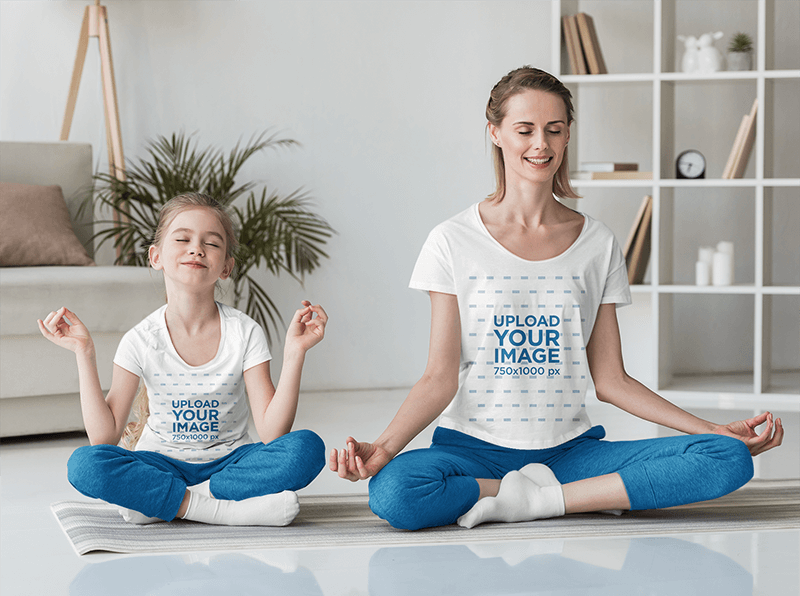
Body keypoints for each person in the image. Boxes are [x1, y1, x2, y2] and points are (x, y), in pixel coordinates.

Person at [330, 66, 784, 531]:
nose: (541, 144)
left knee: (726, 458)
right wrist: (384, 448)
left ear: (568, 136)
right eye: (524, 130)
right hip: (471, 451)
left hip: (571, 452)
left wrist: (711, 428)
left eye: (554, 130)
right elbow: (439, 377)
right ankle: (567, 498)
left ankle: (539, 500)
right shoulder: (451, 240)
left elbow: (611, 380)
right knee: (395, 492)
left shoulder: (597, 242)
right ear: (496, 133)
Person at [39, 192, 328, 527]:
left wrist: (295, 352)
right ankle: (222, 511)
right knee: (84, 464)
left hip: (230, 466)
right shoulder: (139, 339)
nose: (197, 248)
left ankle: (165, 500)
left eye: (213, 243)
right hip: (161, 463)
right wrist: (84, 353)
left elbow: (273, 432)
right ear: (156, 256)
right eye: (183, 239)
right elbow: (104, 439)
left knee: (307, 448)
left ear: (226, 267)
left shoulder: (245, 332)